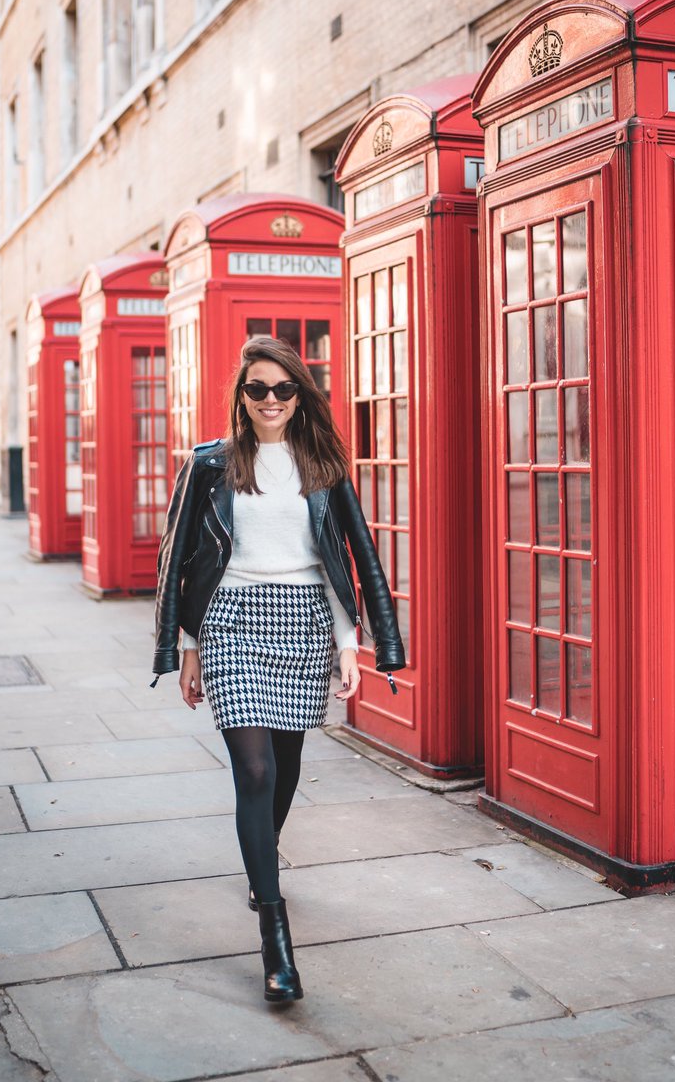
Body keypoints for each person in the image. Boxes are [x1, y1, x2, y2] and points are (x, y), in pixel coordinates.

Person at [152, 336, 405, 1004]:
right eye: (257, 388)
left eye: (283, 388)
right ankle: (275, 939)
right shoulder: (210, 464)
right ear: (241, 396)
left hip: (303, 623)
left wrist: (351, 644)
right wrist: (187, 647)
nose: (270, 400)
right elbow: (183, 560)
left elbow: (350, 558)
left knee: (285, 768)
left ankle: (260, 854)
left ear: (300, 394)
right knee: (256, 771)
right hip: (231, 622)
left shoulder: (322, 464)